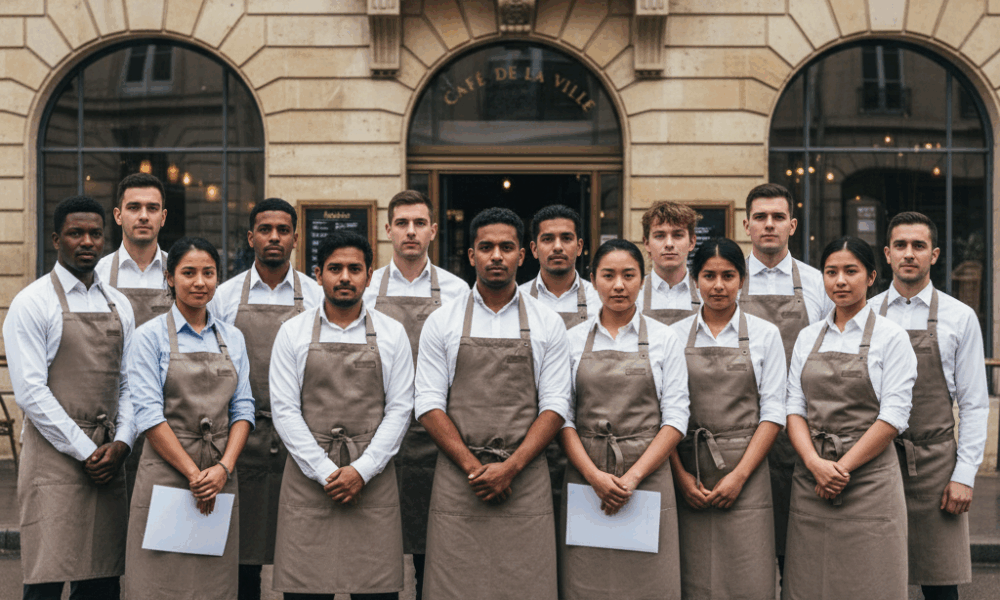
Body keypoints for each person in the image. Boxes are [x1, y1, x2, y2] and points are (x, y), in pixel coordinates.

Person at [415, 207, 571, 600]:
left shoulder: (547, 322)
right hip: (459, 477)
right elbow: (429, 404)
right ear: (471, 256)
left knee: (527, 586)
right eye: (486, 247)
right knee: (455, 586)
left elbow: (554, 406)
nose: (496, 255)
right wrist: (475, 468)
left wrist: (510, 468)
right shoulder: (442, 321)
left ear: (522, 254)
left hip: (525, 476)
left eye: (506, 247)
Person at [4, 196, 137, 600]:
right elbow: (31, 392)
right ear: (56, 240)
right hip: (55, 460)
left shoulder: (120, 304)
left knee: (102, 580)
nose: (87, 242)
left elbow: (129, 385)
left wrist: (122, 443)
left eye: (95, 234)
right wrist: (86, 450)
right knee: (46, 578)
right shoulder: (32, 303)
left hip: (109, 460)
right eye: (76, 233)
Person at [270, 231, 412, 599]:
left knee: (376, 592)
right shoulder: (292, 332)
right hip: (308, 477)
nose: (345, 277)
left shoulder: (393, 333)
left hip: (372, 477)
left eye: (354, 269)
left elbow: (400, 409)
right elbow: (285, 411)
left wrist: (361, 471)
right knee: (305, 591)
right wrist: (326, 472)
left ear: (369, 275)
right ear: (318, 274)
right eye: (335, 268)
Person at [783, 236, 916, 600]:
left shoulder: (892, 338)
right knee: (809, 584)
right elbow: (793, 407)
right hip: (812, 481)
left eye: (850, 271)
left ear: (872, 277)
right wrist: (815, 464)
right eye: (831, 272)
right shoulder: (808, 337)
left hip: (869, 480)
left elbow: (893, 416)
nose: (840, 281)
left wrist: (840, 469)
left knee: (872, 583)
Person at [124, 237, 255, 600]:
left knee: (213, 584)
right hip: (167, 472)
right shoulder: (148, 337)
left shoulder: (233, 338)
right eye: (189, 273)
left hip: (218, 475)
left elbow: (243, 408)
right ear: (169, 278)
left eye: (208, 273)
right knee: (158, 582)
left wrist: (223, 469)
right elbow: (149, 415)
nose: (200, 282)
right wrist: (195, 475)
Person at [558, 238, 687, 600]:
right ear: (592, 279)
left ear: (641, 280)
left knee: (649, 584)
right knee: (586, 583)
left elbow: (676, 417)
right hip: (586, 478)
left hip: (647, 476)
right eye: (608, 275)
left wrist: (631, 478)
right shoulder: (571, 340)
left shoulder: (664, 339)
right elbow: (562, 417)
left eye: (628, 275)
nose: (618, 285)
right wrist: (593, 476)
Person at [209, 198, 324, 600]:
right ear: (250, 237)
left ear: (295, 237)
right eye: (265, 229)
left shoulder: (316, 296)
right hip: (239, 439)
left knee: (303, 550)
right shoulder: (222, 297)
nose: (274, 236)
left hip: (302, 440)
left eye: (283, 229)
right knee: (243, 555)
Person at [870, 212, 988, 600]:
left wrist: (965, 474)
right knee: (874, 575)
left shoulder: (961, 317)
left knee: (940, 582)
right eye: (900, 246)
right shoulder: (865, 314)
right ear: (887, 254)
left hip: (937, 464)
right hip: (875, 461)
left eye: (918, 246)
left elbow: (973, 403)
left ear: (934, 255)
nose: (909, 254)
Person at [362, 190, 468, 598]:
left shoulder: (459, 292)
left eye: (419, 223)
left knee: (432, 544)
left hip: (437, 436)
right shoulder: (365, 289)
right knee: (375, 543)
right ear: (387, 230)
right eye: (402, 223)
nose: (411, 232)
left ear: (433, 231)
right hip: (374, 434)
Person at [670, 238, 785, 600]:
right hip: (689, 469)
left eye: (728, 276)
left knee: (748, 575)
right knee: (692, 577)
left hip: (747, 470)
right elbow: (665, 414)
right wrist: (681, 477)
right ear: (694, 280)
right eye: (708, 276)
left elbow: (773, 413)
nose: (718, 285)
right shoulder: (672, 337)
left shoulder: (766, 335)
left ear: (742, 280)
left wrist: (739, 476)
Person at [738, 182, 833, 568]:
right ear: (747, 226)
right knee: (748, 546)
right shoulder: (727, 279)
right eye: (760, 217)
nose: (769, 225)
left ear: (793, 225)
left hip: (801, 430)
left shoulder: (817, 283)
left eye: (778, 217)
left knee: (799, 548)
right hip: (740, 428)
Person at [96, 172, 174, 498]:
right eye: (134, 207)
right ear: (118, 215)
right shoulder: (97, 275)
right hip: (111, 420)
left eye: (152, 208)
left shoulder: (180, 273)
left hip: (170, 417)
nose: (143, 215)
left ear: (163, 217)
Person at [518, 204, 602, 329]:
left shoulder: (600, 300)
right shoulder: (518, 300)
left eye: (566, 238)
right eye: (548, 239)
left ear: (579, 247)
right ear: (534, 249)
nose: (557, 247)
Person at [636, 201, 702, 325]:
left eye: (678, 235)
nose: (669, 244)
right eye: (660, 236)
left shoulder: (706, 295)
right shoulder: (634, 295)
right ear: (646, 243)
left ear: (692, 242)